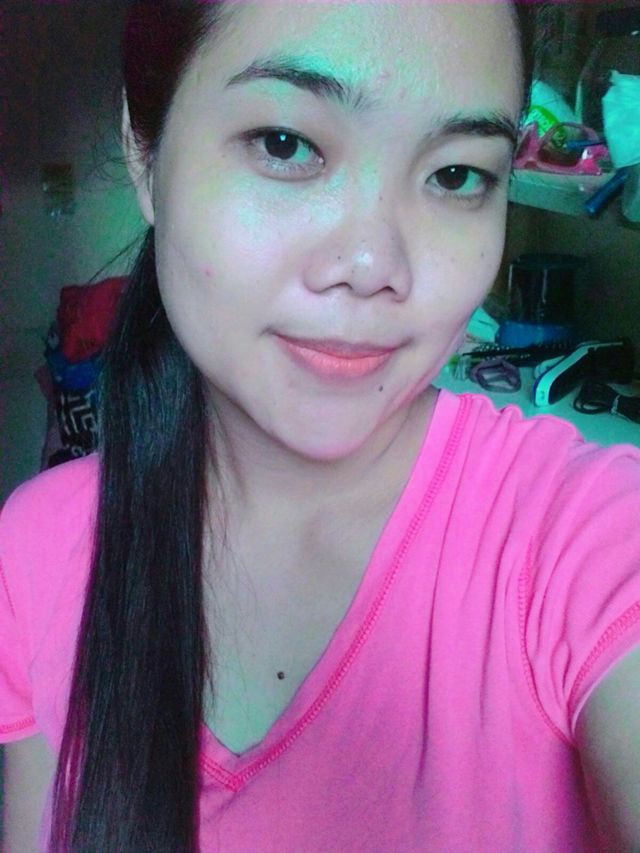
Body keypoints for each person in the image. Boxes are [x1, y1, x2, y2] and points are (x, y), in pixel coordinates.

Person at [2, 1, 640, 850]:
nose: (374, 266)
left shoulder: (584, 534)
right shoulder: (37, 559)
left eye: (456, 175)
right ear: (144, 154)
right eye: (286, 144)